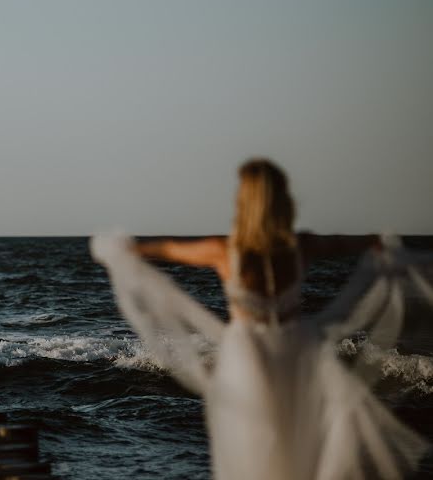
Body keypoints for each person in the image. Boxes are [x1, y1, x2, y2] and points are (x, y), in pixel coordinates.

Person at [90, 158, 432, 480]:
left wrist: (124, 249)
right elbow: (349, 242)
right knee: (299, 438)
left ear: (245, 201)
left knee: (254, 445)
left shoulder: (225, 251)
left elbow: (168, 249)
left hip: (248, 354)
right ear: (283, 200)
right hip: (295, 347)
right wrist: (379, 241)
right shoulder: (300, 246)